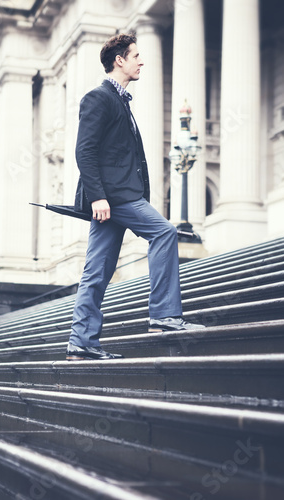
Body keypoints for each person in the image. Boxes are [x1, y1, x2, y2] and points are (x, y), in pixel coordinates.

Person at [66, 33, 205, 361]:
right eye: (136, 55)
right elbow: (84, 151)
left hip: (115, 198)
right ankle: (164, 316)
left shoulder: (121, 101)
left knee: (97, 269)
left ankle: (81, 341)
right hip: (114, 197)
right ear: (120, 60)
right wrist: (99, 197)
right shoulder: (99, 98)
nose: (142, 61)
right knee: (165, 232)